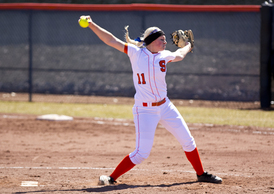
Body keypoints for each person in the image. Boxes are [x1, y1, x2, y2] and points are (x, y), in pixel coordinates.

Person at [78, 15, 222, 185]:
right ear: (152, 40)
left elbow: (180, 54)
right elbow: (110, 40)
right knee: (141, 153)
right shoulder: (135, 53)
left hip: (165, 106)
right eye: (162, 39)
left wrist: (189, 45)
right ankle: (111, 178)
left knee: (188, 141)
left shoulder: (164, 55)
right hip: (144, 110)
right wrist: (92, 24)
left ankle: (201, 174)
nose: (165, 42)